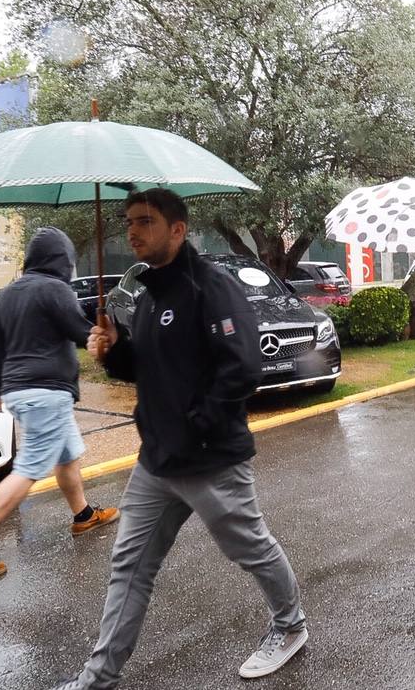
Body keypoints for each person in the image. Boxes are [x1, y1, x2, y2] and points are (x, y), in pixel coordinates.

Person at [57, 188, 306, 690]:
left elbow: (243, 368)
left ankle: (290, 626)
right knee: (129, 567)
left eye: (145, 221)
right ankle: (97, 678)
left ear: (177, 229)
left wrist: (196, 425)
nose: (132, 230)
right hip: (157, 462)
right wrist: (114, 349)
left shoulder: (211, 288)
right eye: (128, 221)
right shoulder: (149, 296)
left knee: (250, 549)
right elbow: (145, 368)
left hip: (209, 458)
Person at [0, 228, 119, 580]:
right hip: (47, 393)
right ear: (61, 260)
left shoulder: (8, 294)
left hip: (20, 390)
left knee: (67, 452)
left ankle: (83, 515)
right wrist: (102, 327)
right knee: (30, 467)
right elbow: (78, 332)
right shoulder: (56, 289)